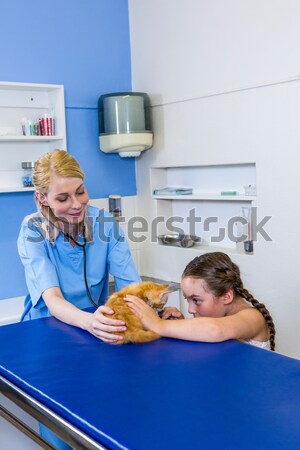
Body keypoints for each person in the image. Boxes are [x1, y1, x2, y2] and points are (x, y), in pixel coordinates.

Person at [17, 149, 141, 450]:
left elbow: (130, 287)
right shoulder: (32, 229)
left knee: (101, 420)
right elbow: (53, 299)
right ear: (43, 197)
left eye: (81, 192)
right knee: (61, 431)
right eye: (63, 198)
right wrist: (91, 322)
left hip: (94, 333)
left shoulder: (104, 223)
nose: (77, 204)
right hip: (48, 335)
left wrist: (154, 312)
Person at [125, 252, 276, 351]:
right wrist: (178, 323)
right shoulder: (217, 315)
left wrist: (159, 325)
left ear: (226, 296)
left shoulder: (254, 318)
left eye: (196, 300)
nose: (190, 309)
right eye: (187, 300)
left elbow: (214, 330)